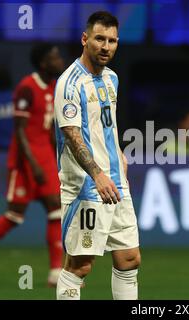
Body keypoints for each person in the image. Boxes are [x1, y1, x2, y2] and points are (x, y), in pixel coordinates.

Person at [0, 44, 65, 287]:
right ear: (43, 63)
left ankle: (55, 271)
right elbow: (19, 132)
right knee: (15, 215)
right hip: (24, 161)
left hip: (46, 158)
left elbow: (48, 128)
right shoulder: (27, 88)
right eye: (55, 57)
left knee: (56, 209)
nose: (60, 61)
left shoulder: (53, 87)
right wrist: (34, 165)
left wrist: (57, 157)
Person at [54, 11, 140, 300]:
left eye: (112, 41)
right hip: (86, 186)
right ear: (85, 39)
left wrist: (120, 157)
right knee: (80, 266)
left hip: (116, 182)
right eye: (100, 39)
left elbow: (107, 126)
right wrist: (97, 174)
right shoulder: (70, 82)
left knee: (129, 259)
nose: (106, 46)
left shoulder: (112, 79)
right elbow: (72, 133)